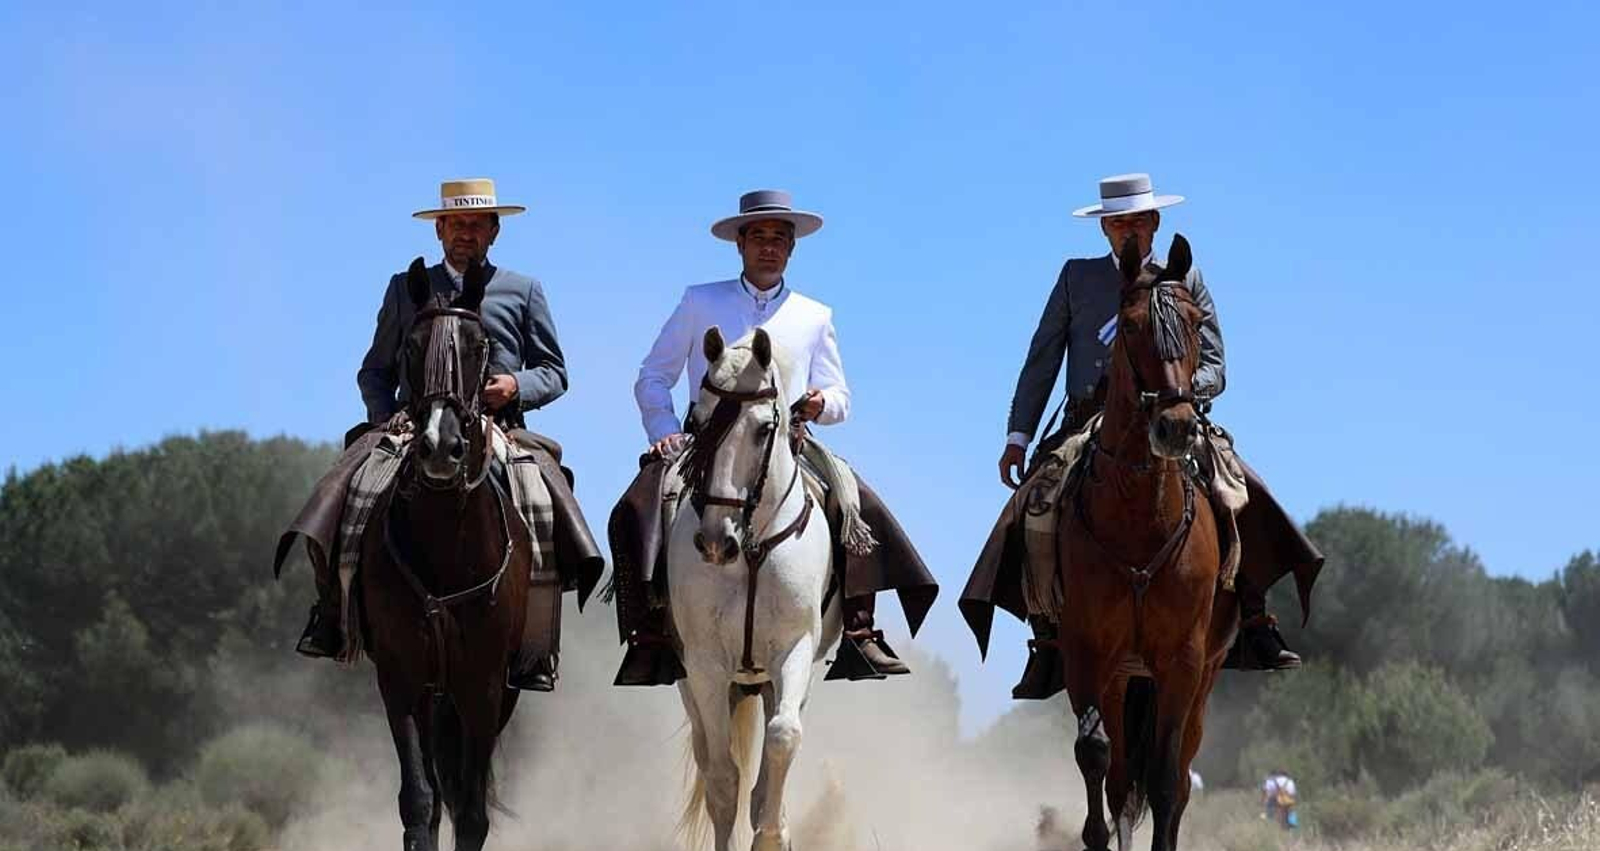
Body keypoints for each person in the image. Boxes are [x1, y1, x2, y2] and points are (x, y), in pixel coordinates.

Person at [960, 173, 1324, 698]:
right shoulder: (1075, 279)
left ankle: (1254, 618)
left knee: (1239, 490)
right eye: (1119, 221)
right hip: (1088, 419)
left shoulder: (1184, 278)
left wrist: (1175, 392)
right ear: (1105, 228)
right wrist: (1018, 437)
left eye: (1139, 219)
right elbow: (1042, 361)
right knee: (1034, 506)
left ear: (1155, 223)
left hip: (1172, 415)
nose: (1129, 229)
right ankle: (1046, 638)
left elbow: (1216, 363)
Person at [609, 190, 938, 685]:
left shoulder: (814, 314)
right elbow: (653, 376)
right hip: (706, 447)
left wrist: (819, 404)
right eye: (759, 237)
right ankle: (650, 630)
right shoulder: (701, 301)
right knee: (639, 504)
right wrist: (666, 434)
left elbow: (841, 395)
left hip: (788, 443)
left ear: (792, 249)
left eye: (779, 239)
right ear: (739, 244)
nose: (769, 247)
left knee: (855, 502)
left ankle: (859, 632)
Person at [284, 178, 601, 691]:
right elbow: (375, 371)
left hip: (499, 428)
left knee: (545, 499)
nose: (465, 233)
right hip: (412, 426)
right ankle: (332, 615)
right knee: (344, 490)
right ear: (439, 230)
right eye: (456, 224)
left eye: (477, 224)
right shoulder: (404, 288)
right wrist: (386, 416)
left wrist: (515, 385)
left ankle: (538, 641)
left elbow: (554, 371)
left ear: (494, 231)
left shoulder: (522, 290)